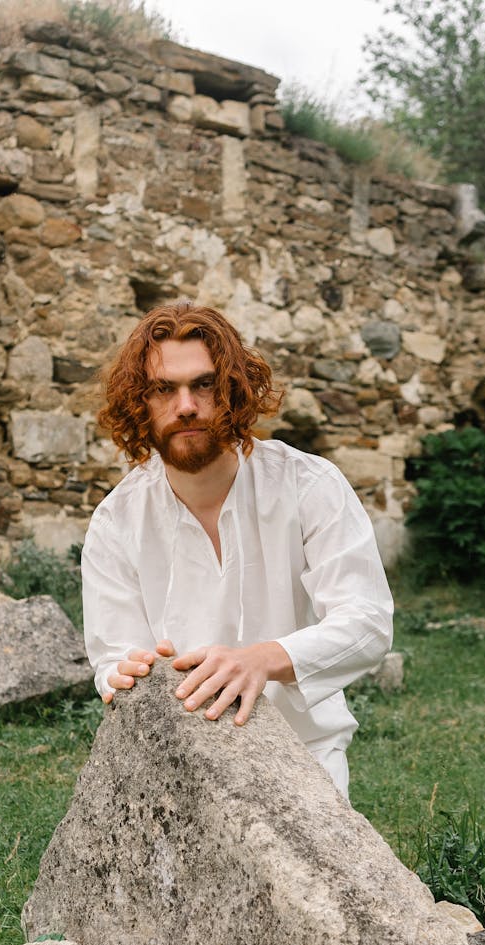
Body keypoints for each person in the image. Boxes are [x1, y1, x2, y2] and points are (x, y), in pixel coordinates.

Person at [80, 303, 393, 799]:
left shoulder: (309, 484)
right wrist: (123, 673)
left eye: (203, 385)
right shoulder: (115, 522)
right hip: (176, 770)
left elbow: (367, 622)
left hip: (304, 757)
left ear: (232, 390)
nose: (185, 405)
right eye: (164, 389)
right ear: (140, 403)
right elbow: (113, 657)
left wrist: (263, 659)